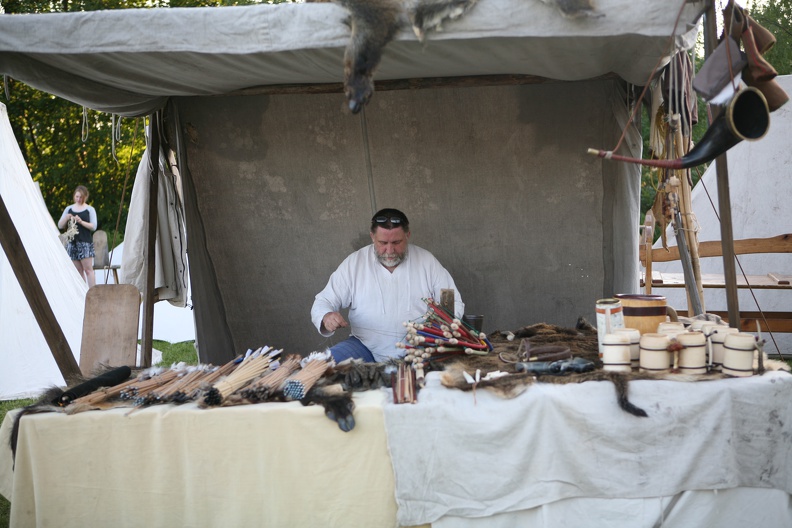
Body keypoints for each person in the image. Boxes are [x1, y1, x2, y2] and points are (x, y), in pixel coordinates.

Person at [311, 208, 464, 363]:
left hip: (420, 347)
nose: (390, 250)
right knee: (325, 365)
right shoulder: (354, 264)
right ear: (372, 237)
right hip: (364, 346)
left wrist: (437, 330)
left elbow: (451, 302)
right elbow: (324, 301)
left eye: (396, 242)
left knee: (437, 375)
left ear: (407, 235)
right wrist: (326, 316)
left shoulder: (427, 261)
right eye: (383, 243)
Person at [57, 185, 97, 287]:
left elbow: (93, 226)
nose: (79, 199)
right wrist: (66, 218)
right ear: (74, 196)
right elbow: (60, 225)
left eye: (81, 197)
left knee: (88, 270)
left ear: (85, 197)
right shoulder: (69, 208)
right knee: (78, 271)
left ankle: (93, 292)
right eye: (77, 197)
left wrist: (81, 222)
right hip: (72, 243)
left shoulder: (89, 209)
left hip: (84, 243)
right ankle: (83, 293)